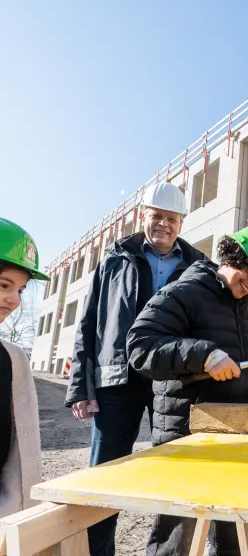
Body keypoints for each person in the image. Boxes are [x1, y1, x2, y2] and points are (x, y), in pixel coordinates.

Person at [126, 225, 248, 556]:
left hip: (231, 437)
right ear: (233, 257)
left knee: (232, 532)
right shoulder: (187, 290)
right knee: (178, 534)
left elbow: (239, 377)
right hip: (187, 434)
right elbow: (140, 346)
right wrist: (203, 355)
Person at [64, 182, 205, 556]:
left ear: (181, 222)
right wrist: (81, 385)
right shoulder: (114, 260)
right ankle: (96, 551)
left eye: (171, 219)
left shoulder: (197, 267)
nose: (163, 225)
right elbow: (89, 324)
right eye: (156, 216)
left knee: (174, 472)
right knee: (105, 475)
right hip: (116, 381)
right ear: (144, 216)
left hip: (171, 383)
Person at [0, 218, 48, 518]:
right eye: (5, 285)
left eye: (21, 290)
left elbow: (21, 458)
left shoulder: (12, 359)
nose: (14, 300)